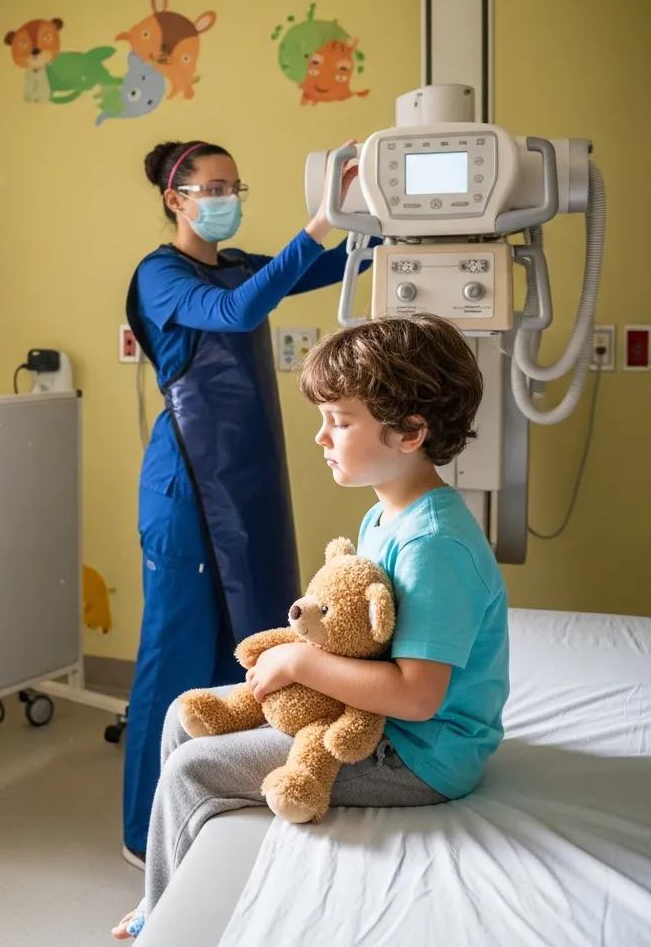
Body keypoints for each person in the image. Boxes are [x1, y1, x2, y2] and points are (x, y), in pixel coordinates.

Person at [113, 313, 509, 939]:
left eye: (341, 421)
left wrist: (297, 664)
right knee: (180, 715)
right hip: (383, 721)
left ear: (409, 431)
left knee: (195, 771)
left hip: (421, 754)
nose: (322, 437)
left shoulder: (435, 544)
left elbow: (418, 695)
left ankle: (160, 928)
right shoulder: (387, 516)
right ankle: (162, 896)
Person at [121, 138, 365, 868]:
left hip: (248, 483)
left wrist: (382, 219)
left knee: (252, 647)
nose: (228, 196)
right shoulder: (162, 274)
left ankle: (221, 802)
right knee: (178, 658)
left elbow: (326, 266)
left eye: (236, 184)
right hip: (188, 488)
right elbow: (232, 313)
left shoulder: (235, 264)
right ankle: (144, 832)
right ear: (177, 197)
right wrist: (321, 219)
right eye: (214, 186)